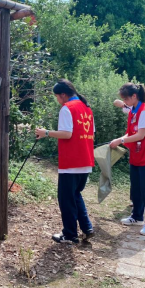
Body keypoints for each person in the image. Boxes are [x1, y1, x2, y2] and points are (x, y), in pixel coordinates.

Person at [35, 79, 95, 245]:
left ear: (63, 95)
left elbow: (67, 134)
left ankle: (70, 235)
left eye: (57, 97)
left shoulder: (67, 108)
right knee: (75, 195)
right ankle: (87, 228)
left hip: (71, 162)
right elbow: (91, 132)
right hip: (86, 160)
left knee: (66, 199)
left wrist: (45, 132)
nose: (57, 100)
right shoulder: (87, 108)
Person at [110, 83, 145, 236]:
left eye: (125, 99)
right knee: (136, 188)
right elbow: (130, 132)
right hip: (137, 154)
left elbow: (141, 135)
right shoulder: (133, 110)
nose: (124, 102)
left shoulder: (144, 111)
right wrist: (120, 138)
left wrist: (121, 141)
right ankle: (137, 216)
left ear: (134, 96)